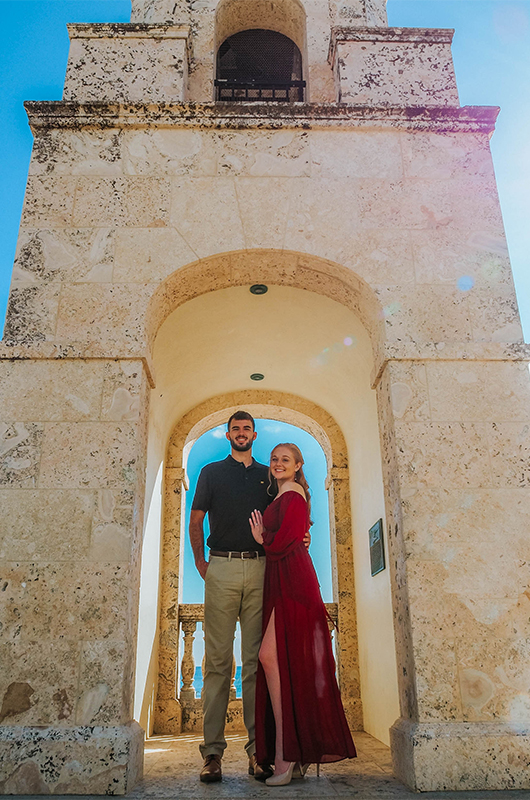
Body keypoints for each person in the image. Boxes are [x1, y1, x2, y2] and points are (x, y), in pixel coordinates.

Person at [190, 412, 310, 783]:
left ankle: (259, 753)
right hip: (221, 567)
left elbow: (293, 510)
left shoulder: (269, 478)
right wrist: (201, 563)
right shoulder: (210, 472)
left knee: (256, 663)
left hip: (261, 570)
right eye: (235, 429)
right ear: (227, 434)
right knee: (217, 663)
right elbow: (196, 520)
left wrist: (305, 536)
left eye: (247, 429)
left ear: (254, 434)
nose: (241, 433)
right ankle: (212, 754)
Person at [249, 443, 357, 786]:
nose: (278, 463)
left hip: (293, 579)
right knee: (279, 661)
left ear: (298, 466)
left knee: (269, 657)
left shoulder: (293, 492)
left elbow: (286, 541)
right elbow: (295, 536)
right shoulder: (284, 494)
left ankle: (286, 754)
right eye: (275, 459)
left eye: (286, 459)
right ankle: (291, 752)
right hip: (282, 577)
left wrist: (261, 536)